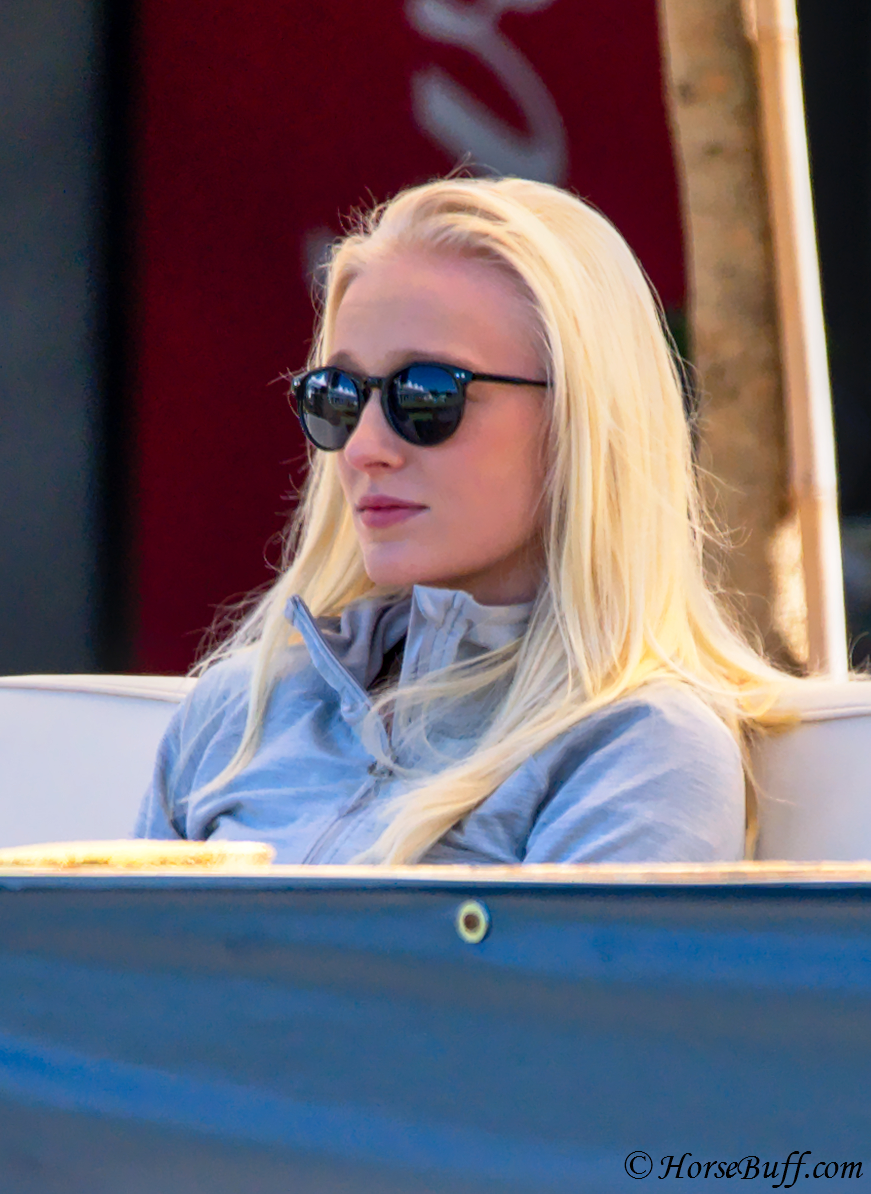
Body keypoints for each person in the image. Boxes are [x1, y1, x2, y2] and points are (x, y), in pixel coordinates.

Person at [134, 175, 790, 866]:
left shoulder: (639, 745)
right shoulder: (238, 710)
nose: (363, 449)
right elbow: (99, 970)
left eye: (427, 396)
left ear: (581, 421)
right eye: (340, 395)